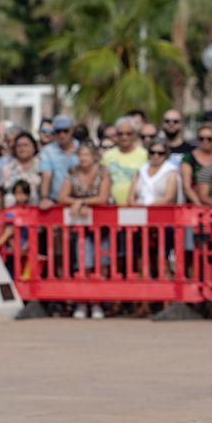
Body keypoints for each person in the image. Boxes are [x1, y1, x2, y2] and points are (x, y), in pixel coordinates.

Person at [58, 143, 112, 320]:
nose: (83, 158)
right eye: (80, 155)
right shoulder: (73, 173)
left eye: (86, 155)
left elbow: (103, 198)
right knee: (84, 264)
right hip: (81, 228)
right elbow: (62, 196)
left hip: (103, 227)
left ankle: (97, 302)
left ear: (94, 156)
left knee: (101, 265)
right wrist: (78, 202)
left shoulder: (103, 173)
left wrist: (80, 202)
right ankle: (82, 301)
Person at [101, 116, 147, 206]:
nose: (124, 137)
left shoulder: (144, 155)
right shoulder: (108, 155)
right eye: (120, 134)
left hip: (136, 207)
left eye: (128, 134)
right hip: (112, 207)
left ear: (134, 135)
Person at [0, 132, 41, 216]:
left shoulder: (42, 166)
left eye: (25, 145)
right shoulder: (7, 168)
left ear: (34, 147)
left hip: (37, 218)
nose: (22, 148)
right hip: (12, 219)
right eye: (19, 146)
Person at [38, 114, 79, 208]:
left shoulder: (82, 149)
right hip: (55, 202)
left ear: (72, 130)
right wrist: (44, 198)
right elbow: (46, 176)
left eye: (65, 131)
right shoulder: (47, 151)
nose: (62, 135)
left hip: (79, 202)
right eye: (58, 131)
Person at [129, 139, 178, 205]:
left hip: (161, 211)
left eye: (160, 153)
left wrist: (148, 208)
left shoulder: (171, 170)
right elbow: (131, 198)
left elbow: (169, 197)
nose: (156, 156)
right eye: (152, 152)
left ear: (166, 155)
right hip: (138, 211)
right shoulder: (140, 170)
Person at [180, 123, 212, 205]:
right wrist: (200, 205)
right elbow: (186, 187)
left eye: (209, 139)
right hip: (195, 207)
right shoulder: (188, 158)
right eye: (201, 138)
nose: (205, 141)